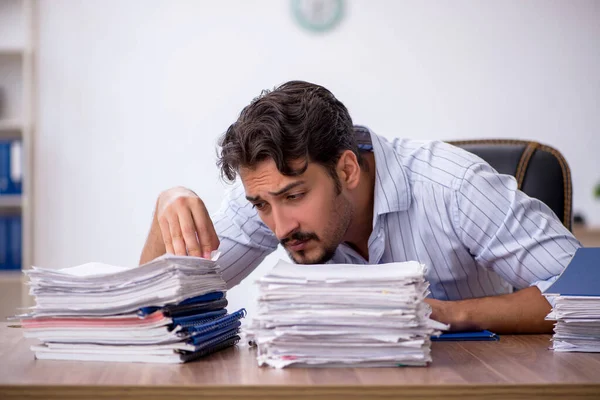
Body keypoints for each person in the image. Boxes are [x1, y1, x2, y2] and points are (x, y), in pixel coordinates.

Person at [140, 80, 581, 334]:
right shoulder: (270, 194)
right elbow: (155, 309)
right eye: (262, 205)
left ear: (347, 169)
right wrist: (168, 201)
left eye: (295, 197)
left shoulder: (454, 185)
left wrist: (451, 314)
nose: (279, 227)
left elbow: (589, 289)